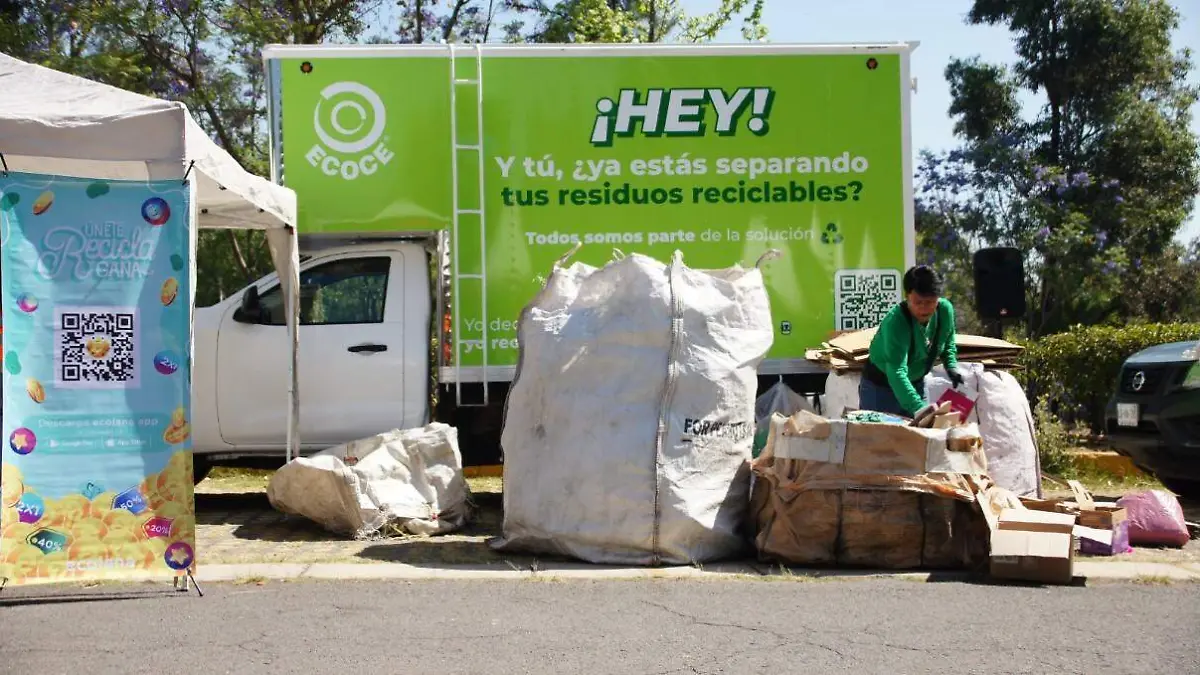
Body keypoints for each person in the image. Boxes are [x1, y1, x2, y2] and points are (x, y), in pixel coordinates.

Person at [859, 265, 962, 418]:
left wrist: (951, 366)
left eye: (930, 302)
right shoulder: (896, 322)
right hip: (881, 389)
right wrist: (919, 408)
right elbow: (897, 372)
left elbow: (947, 341)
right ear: (907, 296)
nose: (924, 308)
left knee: (923, 430)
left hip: (916, 383)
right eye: (918, 302)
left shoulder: (944, 311)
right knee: (881, 433)